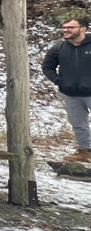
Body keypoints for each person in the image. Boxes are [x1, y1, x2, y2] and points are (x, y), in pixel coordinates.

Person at [42, 17, 91, 163]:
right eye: (64, 27)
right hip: (70, 94)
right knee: (78, 124)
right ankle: (85, 151)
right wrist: (59, 81)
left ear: (83, 29)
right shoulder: (59, 48)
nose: (66, 30)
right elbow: (47, 67)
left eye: (70, 27)